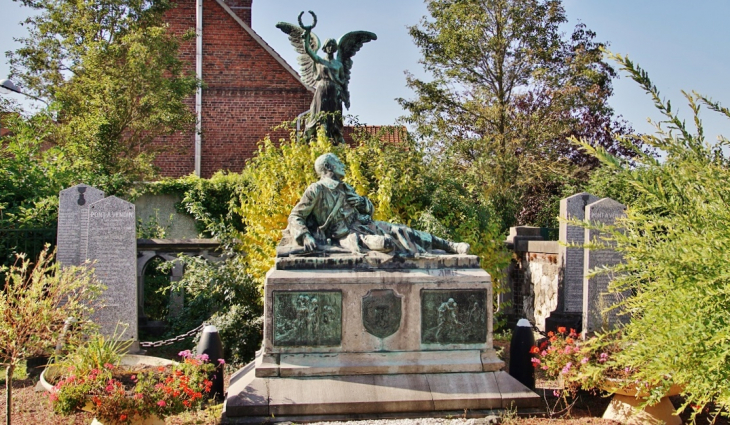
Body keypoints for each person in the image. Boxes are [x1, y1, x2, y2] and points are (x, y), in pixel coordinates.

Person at [280, 153, 470, 257]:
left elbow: (369, 210)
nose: (342, 164)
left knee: (403, 231)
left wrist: (363, 203)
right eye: (338, 162)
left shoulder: (346, 187)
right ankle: (423, 254)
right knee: (388, 243)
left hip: (365, 225)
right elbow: (295, 216)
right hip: (345, 236)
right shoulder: (317, 190)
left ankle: (451, 246)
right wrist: (305, 237)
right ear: (328, 168)